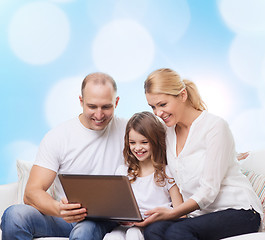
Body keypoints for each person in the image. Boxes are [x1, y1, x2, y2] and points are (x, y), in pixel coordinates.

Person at [134, 68, 263, 240]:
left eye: (162, 104)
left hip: (240, 211)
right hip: (200, 217)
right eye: (153, 107)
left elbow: (208, 190)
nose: (157, 113)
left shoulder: (215, 126)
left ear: (182, 95)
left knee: (177, 231)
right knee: (154, 230)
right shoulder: (167, 132)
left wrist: (172, 213)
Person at [1, 72, 128, 240]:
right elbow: (31, 192)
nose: (99, 115)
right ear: (81, 101)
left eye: (106, 107)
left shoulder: (130, 131)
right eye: (92, 107)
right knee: (14, 216)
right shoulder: (59, 136)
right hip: (64, 219)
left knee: (84, 231)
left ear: (116, 102)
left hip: (105, 220)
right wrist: (59, 209)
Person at [104, 111, 184, 240]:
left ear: (156, 141)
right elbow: (117, 207)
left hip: (154, 226)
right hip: (127, 225)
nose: (137, 148)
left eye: (144, 142)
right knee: (112, 237)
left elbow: (181, 213)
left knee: (134, 234)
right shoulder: (123, 172)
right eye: (132, 142)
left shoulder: (167, 172)